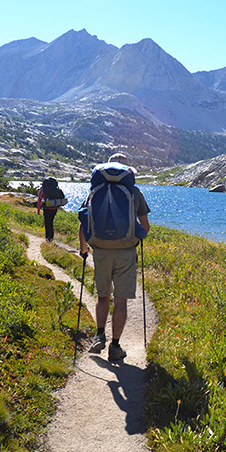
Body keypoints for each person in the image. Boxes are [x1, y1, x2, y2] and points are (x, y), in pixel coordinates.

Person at [79, 153, 151, 362]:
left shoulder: (95, 191)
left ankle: (99, 335)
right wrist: (135, 240)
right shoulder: (134, 193)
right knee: (120, 301)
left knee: (103, 296)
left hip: (100, 250)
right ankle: (115, 347)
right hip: (125, 253)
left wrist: (84, 249)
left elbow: (83, 223)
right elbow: (145, 227)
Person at [37, 178, 60, 242]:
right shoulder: (55, 188)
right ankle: (51, 238)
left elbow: (39, 199)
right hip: (54, 208)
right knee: (51, 222)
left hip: (46, 208)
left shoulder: (43, 189)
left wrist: (38, 210)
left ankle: (48, 238)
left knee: (47, 223)